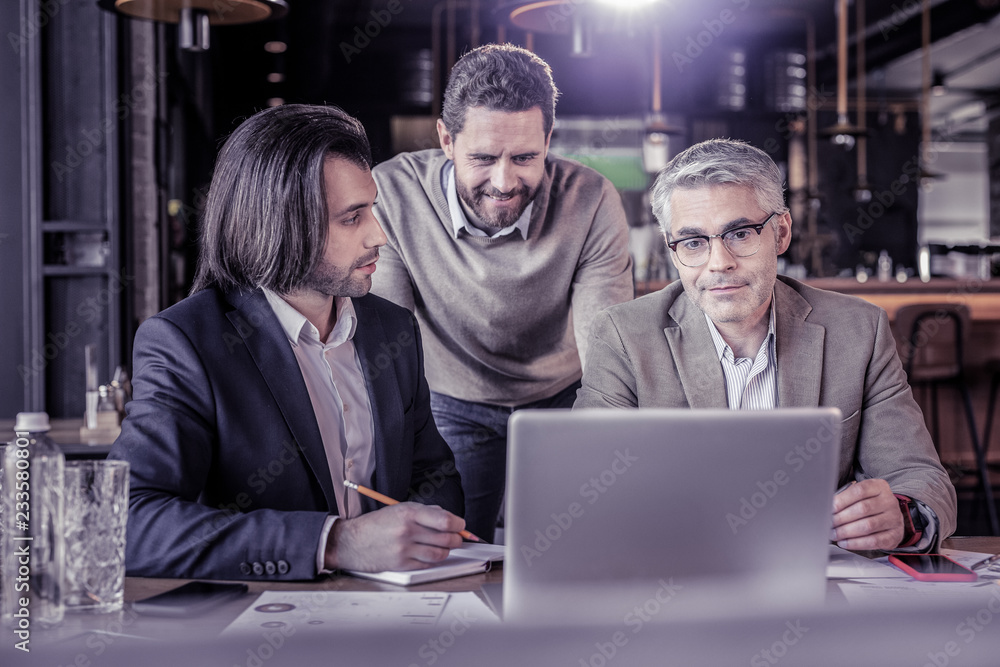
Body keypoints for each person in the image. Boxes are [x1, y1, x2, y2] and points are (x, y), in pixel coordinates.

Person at [108, 104, 465, 580]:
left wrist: (429, 531)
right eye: (351, 217)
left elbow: (433, 478)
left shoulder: (394, 328)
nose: (379, 235)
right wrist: (336, 543)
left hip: (399, 617)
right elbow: (126, 522)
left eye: (372, 210)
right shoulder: (186, 343)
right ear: (281, 223)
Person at [575, 138, 956, 552]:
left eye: (740, 233)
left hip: (816, 584)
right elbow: (585, 488)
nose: (718, 262)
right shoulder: (623, 336)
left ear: (781, 233)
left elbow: (922, 477)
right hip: (677, 578)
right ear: (673, 248)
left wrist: (902, 515)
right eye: (693, 242)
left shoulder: (858, 330)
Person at [370, 44, 634, 541]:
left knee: (576, 541)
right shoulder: (393, 194)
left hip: (563, 398)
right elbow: (386, 348)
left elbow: (606, 352)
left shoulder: (592, 199)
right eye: (484, 158)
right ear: (447, 140)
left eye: (526, 157)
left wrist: (607, 463)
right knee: (452, 547)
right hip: (450, 398)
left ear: (549, 139)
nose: (504, 181)